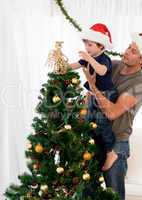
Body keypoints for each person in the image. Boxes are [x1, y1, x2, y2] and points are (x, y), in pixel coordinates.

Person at [83, 32, 142, 200]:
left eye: (133, 51)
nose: (127, 51)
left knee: (113, 196)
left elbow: (112, 112)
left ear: (141, 60)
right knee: (87, 192)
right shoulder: (113, 66)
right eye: (129, 47)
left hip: (116, 143)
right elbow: (90, 93)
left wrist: (93, 86)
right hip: (94, 138)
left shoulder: (139, 82)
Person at [70, 23, 118, 171]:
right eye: (85, 44)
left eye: (90, 45)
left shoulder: (104, 59)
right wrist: (63, 66)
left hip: (106, 94)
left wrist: (88, 59)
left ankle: (111, 152)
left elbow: (102, 71)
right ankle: (87, 148)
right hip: (92, 93)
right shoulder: (88, 57)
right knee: (86, 118)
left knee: (101, 121)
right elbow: (76, 65)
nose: (87, 48)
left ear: (101, 47)